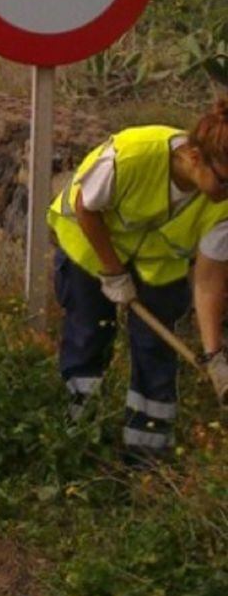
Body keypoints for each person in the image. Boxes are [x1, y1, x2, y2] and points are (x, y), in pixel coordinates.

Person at [47, 96, 228, 460]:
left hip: (157, 270)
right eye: (225, 180)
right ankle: (78, 440)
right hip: (88, 251)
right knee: (89, 334)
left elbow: (209, 281)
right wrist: (113, 272)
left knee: (156, 352)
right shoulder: (136, 153)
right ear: (196, 157)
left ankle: (146, 459)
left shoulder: (222, 205)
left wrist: (214, 356)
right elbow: (87, 207)